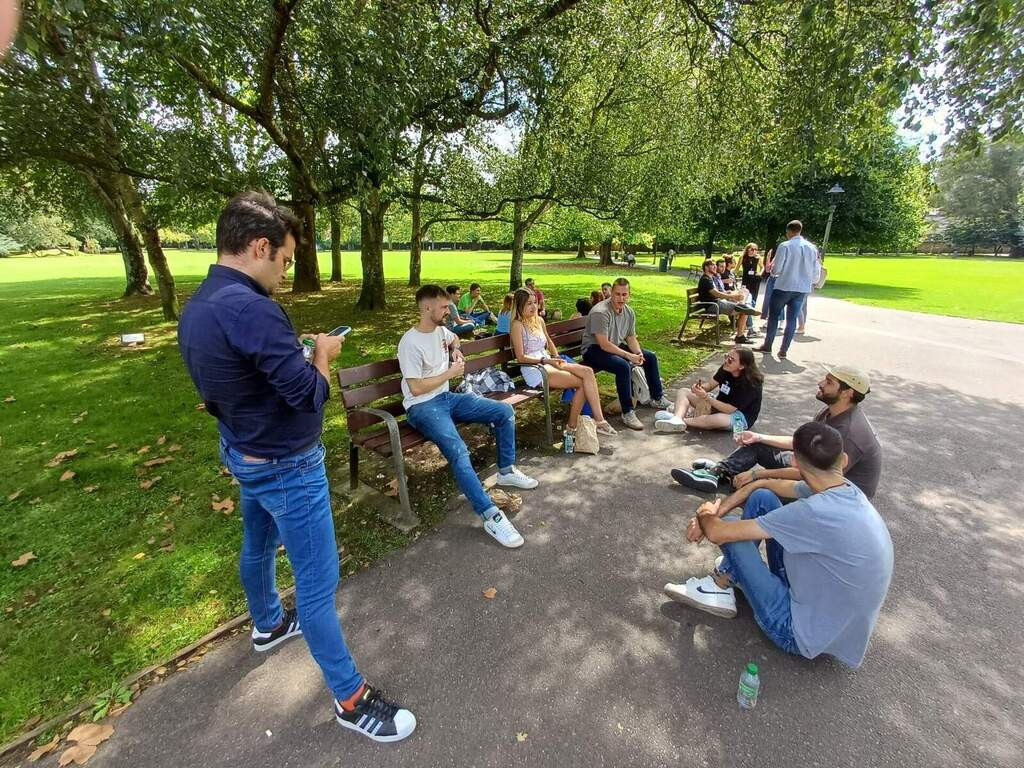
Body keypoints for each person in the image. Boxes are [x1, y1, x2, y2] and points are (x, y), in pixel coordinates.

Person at [178, 191, 416, 742]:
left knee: (257, 546)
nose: (286, 272)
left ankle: (266, 623)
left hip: (243, 453)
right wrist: (321, 356)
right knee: (316, 585)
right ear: (259, 246)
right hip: (287, 467)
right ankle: (351, 698)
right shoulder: (254, 309)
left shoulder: (202, 305)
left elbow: (236, 379)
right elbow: (311, 396)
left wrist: (293, 350)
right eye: (284, 260)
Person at [663, 422, 893, 670]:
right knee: (762, 499)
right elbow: (763, 486)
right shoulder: (846, 490)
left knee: (731, 528)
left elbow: (719, 533)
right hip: (831, 624)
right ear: (844, 460)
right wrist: (727, 503)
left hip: (795, 631)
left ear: (794, 462)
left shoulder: (814, 512)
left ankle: (721, 585)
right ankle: (732, 574)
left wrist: (706, 515)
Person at [398, 284, 539, 549]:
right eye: (443, 307)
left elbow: (454, 338)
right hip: (422, 406)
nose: (448, 310)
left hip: (446, 399)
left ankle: (506, 471)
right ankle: (490, 514)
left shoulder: (441, 330)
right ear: (427, 308)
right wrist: (449, 374)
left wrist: (455, 349)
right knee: (459, 450)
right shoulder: (410, 342)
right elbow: (416, 387)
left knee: (504, 411)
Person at [671, 365, 882, 497]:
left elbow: (816, 474)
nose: (820, 383)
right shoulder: (832, 411)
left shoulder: (850, 433)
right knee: (758, 444)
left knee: (759, 495)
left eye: (828, 382)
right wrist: (759, 436)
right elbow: (800, 443)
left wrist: (758, 474)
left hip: (836, 495)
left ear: (847, 393)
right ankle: (721, 472)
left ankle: (727, 474)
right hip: (816, 474)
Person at [510, 288, 616, 437]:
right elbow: (520, 357)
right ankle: (573, 426)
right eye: (529, 304)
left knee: (588, 372)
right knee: (581, 382)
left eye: (535, 302)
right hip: (535, 369)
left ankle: (599, 421)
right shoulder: (517, 325)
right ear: (519, 305)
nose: (534, 307)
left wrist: (556, 356)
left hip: (549, 362)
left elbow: (549, 341)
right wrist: (547, 360)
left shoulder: (539, 320)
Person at [581, 277, 673, 430]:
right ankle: (628, 412)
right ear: (611, 293)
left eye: (624, 295)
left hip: (614, 345)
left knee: (649, 357)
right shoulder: (601, 312)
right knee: (623, 366)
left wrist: (638, 353)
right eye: (617, 294)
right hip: (593, 349)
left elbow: (631, 338)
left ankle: (657, 398)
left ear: (629, 295)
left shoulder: (629, 312)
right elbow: (603, 344)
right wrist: (629, 356)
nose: (620, 298)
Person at [654, 348, 763, 433]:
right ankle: (677, 419)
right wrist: (700, 388)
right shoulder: (726, 368)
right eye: (726, 356)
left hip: (739, 416)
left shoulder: (751, 383)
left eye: (731, 360)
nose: (726, 361)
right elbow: (711, 384)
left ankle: (680, 420)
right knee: (684, 391)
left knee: (718, 420)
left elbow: (730, 410)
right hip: (717, 403)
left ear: (742, 366)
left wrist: (706, 397)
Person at [755, 220, 820, 359]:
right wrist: (811, 281)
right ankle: (784, 349)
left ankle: (768, 345)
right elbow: (816, 270)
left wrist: (773, 272)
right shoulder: (812, 248)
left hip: (784, 285)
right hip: (801, 288)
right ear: (800, 230)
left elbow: (777, 268)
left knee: (773, 316)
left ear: (788, 231)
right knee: (792, 319)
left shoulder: (785, 246)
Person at [696, 259, 758, 344]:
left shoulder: (709, 278)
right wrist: (733, 296)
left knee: (744, 307)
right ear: (706, 267)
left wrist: (728, 293)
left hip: (716, 303)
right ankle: (740, 336)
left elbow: (718, 293)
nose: (715, 267)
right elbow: (716, 294)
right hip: (713, 305)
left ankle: (743, 306)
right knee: (744, 310)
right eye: (712, 265)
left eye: (715, 265)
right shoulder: (706, 279)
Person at [740, 243, 762, 338]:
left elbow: (762, 267)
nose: (754, 251)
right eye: (752, 249)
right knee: (746, 303)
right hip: (746, 282)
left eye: (755, 249)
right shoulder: (743, 258)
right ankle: (750, 327)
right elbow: (736, 268)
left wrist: (760, 273)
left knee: (752, 302)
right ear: (747, 249)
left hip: (755, 281)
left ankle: (749, 325)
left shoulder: (758, 258)